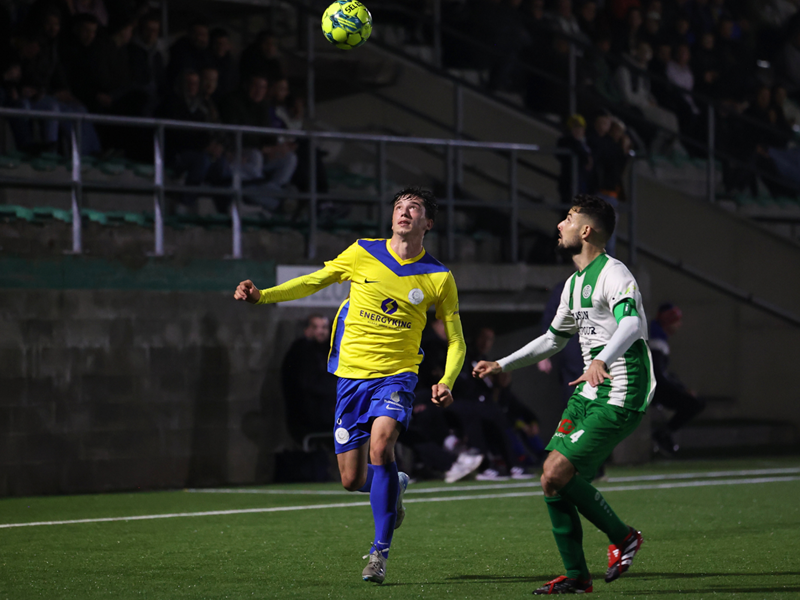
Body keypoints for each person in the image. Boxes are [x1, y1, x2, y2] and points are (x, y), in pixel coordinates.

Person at [233, 187, 466, 585]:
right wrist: (263, 297)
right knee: (352, 480)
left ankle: (379, 553)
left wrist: (446, 380)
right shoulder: (363, 251)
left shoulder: (439, 277)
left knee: (382, 445)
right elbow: (313, 281)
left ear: (428, 223)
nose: (404, 212)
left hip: (397, 376)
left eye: (414, 208)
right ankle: (395, 483)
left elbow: (457, 339)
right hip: (350, 378)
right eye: (398, 206)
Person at [473, 194, 655, 595]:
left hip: (623, 387)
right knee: (551, 480)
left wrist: (600, 359)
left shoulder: (614, 273)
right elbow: (553, 340)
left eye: (568, 219)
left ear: (586, 230)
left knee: (557, 473)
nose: (560, 225)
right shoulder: (573, 285)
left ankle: (624, 537)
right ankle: (576, 577)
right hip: (591, 390)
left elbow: (631, 326)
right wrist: (501, 364)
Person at [649, 302, 705, 456]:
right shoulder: (656, 342)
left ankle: (664, 433)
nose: (679, 325)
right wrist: (681, 390)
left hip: (651, 386)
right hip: (650, 388)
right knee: (695, 403)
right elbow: (658, 375)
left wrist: (680, 387)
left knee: (693, 401)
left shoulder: (657, 337)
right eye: (676, 320)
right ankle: (663, 434)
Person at [281, 314, 338, 445]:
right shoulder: (301, 352)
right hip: (310, 418)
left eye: (324, 327)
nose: (321, 331)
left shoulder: (325, 351)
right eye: (315, 327)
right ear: (306, 329)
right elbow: (309, 383)